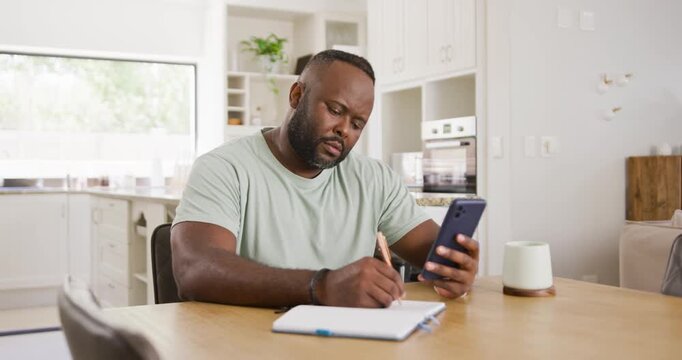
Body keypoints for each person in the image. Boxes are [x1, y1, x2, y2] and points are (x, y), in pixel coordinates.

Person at [171, 50, 479, 308]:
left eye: (357, 123)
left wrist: (455, 266)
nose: (345, 130)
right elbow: (195, 270)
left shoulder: (373, 178)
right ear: (296, 95)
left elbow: (429, 249)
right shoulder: (224, 168)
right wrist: (321, 286)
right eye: (335, 110)